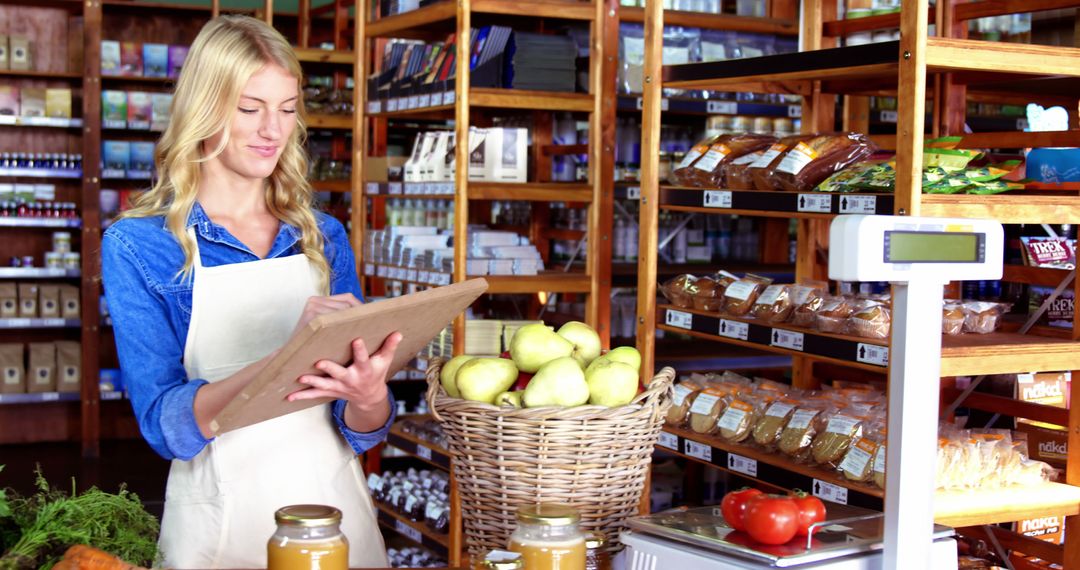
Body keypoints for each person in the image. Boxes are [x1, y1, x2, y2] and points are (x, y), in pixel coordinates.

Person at [101, 15, 398, 569]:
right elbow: (164, 424)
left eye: (286, 109)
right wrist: (286, 357)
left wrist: (366, 393)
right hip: (219, 520)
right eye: (249, 107)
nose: (272, 129)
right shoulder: (139, 246)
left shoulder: (321, 237)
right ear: (204, 108)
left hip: (333, 513)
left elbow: (361, 429)